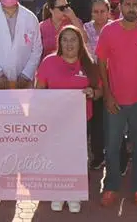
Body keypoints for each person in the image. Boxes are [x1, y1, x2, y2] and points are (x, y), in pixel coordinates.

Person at [98, 0, 137, 208]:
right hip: (115, 101)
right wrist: (108, 95)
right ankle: (111, 185)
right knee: (112, 146)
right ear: (120, 7)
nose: (131, 8)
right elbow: (101, 64)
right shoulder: (109, 30)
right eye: (127, 5)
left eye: (135, 4)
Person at [35, 23, 98, 213]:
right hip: (55, 121)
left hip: (80, 121)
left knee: (77, 157)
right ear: (59, 42)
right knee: (57, 156)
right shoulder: (48, 62)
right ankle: (57, 193)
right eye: (65, 39)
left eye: (73, 40)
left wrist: (92, 93)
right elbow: (39, 91)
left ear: (80, 43)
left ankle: (74, 194)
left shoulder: (89, 63)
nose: (69, 44)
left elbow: (100, 90)